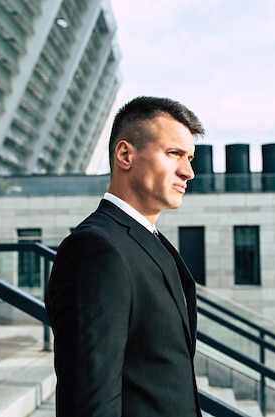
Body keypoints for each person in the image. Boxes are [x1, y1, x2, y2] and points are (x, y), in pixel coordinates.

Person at [45, 96, 205, 416]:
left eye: (189, 157)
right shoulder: (95, 250)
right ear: (125, 154)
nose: (188, 171)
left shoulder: (146, 240)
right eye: (173, 153)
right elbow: (91, 403)